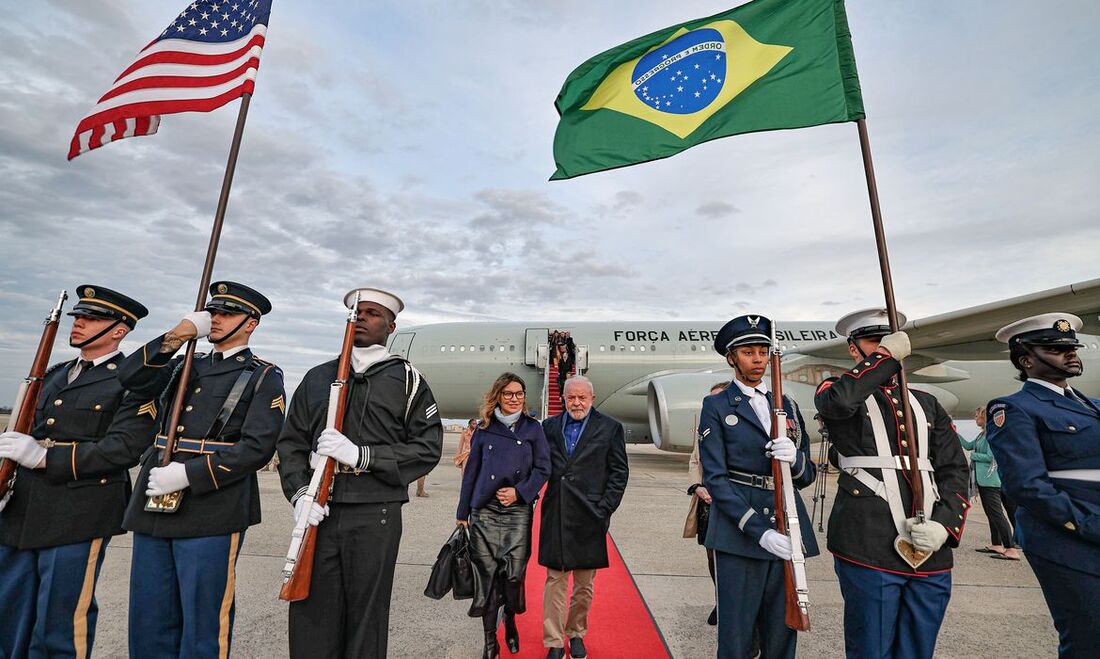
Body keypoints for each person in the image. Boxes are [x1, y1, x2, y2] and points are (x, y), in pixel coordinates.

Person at [116, 281, 285, 659]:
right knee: (149, 616)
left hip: (212, 506)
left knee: (202, 621)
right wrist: (177, 335)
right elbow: (130, 378)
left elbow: (257, 448)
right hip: (154, 497)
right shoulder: (182, 363)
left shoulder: (263, 375)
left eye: (226, 313)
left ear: (251, 324)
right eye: (212, 313)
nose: (216, 319)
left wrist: (189, 475)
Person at [276, 287, 443, 659]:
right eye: (356, 313)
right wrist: (300, 494)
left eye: (371, 313)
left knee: (366, 617)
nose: (361, 319)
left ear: (391, 325)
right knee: (311, 613)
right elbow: (290, 444)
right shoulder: (319, 378)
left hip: (375, 512)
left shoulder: (408, 380)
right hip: (321, 511)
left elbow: (426, 448)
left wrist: (362, 455)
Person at [0, 285, 155, 659]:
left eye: (91, 319)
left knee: (59, 623)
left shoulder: (132, 380)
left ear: (119, 329)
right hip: (22, 511)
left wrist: (43, 458)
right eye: (78, 317)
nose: (80, 323)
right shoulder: (54, 374)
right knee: (8, 616)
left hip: (78, 513)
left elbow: (123, 448)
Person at [815, 308, 969, 659]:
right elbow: (840, 402)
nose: (885, 346)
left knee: (918, 648)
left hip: (930, 546)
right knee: (871, 647)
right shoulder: (835, 391)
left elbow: (954, 470)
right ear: (854, 350)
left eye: (890, 339)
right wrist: (886, 356)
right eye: (875, 341)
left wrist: (945, 526)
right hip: (869, 541)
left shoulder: (927, 404)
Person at [698, 315, 818, 659]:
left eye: (763, 352)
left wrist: (794, 459)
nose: (758, 360)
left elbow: (806, 475)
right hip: (740, 533)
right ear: (732, 358)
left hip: (788, 524)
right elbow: (716, 479)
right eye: (749, 352)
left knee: (783, 634)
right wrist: (757, 529)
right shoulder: (717, 406)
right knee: (736, 636)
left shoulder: (788, 404)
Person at [986, 314, 1100, 658]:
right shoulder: (1015, 408)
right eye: (1055, 348)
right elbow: (1027, 486)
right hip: (1068, 540)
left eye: (1071, 348)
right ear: (1026, 360)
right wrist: (1090, 524)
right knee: (1089, 638)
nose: (1070, 354)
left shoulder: (1093, 406)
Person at [456, 373, 551, 658]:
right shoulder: (485, 429)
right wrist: (463, 512)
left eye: (519, 394)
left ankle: (510, 620)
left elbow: (544, 468)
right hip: (484, 512)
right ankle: (489, 643)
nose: (514, 399)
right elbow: (471, 472)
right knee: (486, 580)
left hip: (517, 512)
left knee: (513, 576)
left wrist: (520, 492)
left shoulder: (533, 429)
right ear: (498, 396)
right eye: (508, 394)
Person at [539, 375, 628, 659]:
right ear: (563, 398)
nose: (576, 403)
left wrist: (604, 509)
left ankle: (576, 632)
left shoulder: (610, 428)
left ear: (592, 397)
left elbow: (619, 473)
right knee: (555, 580)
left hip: (591, 515)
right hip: (558, 511)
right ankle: (553, 641)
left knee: (584, 584)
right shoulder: (549, 427)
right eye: (571, 398)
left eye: (582, 398)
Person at [683, 381, 729, 627]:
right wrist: (698, 487)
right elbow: (694, 460)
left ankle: (732, 605)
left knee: (730, 558)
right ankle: (721, 600)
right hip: (707, 503)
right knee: (711, 557)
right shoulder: (704, 428)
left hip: (730, 502)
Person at [960, 407, 1020, 559]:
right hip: (985, 479)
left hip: (990, 480)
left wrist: (973, 456)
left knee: (997, 514)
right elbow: (967, 445)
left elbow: (991, 457)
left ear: (984, 417)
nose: (975, 418)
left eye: (977, 415)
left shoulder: (991, 435)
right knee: (991, 514)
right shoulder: (982, 435)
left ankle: (1011, 549)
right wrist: (952, 431)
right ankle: (997, 545)